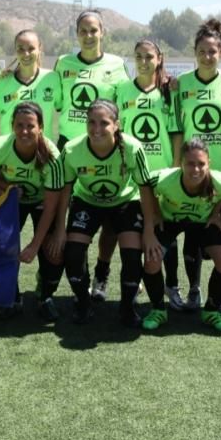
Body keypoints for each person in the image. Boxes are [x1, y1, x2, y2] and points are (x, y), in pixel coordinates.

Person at [51, 100, 159, 326]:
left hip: (125, 202)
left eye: (104, 123)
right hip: (87, 201)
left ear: (116, 125)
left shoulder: (132, 148)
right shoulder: (72, 149)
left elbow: (145, 190)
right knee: (72, 253)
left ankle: (127, 308)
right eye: (91, 122)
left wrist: (148, 231)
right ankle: (83, 302)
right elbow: (65, 190)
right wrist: (60, 229)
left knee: (132, 255)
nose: (96, 129)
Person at [53, 10, 130, 302]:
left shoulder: (117, 65)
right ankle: (79, 282)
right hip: (71, 149)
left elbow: (127, 101)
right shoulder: (63, 64)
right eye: (83, 31)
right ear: (77, 34)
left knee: (108, 219)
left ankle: (102, 271)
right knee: (72, 217)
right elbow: (54, 97)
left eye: (93, 30)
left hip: (105, 149)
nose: (88, 36)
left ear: (103, 33)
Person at [173, 18, 221, 311]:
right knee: (192, 229)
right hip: (192, 172)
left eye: (213, 51)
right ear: (195, 52)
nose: (207, 56)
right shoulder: (180, 84)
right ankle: (194, 290)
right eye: (202, 50)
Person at [114, 39, 184, 307]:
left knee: (166, 231)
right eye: (138, 57)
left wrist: (175, 170)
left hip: (162, 174)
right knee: (135, 228)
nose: (143, 61)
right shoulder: (121, 91)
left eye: (149, 56)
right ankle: (140, 279)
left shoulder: (169, 91)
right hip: (132, 174)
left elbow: (176, 133)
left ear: (159, 58)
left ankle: (172, 285)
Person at [0, 102, 65, 320]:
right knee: (2, 245)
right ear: (12, 126)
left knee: (53, 252)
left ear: (41, 127)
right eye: (19, 125)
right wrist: (6, 187)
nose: (24, 131)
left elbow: (50, 205)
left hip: (41, 203)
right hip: (13, 202)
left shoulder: (52, 157)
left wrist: (35, 245)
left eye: (30, 126)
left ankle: (45, 296)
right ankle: (13, 296)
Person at [145, 139, 221, 333]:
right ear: (181, 164)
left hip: (202, 222)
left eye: (201, 164)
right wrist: (155, 214)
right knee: (152, 259)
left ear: (209, 163)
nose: (195, 169)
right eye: (190, 164)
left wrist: (215, 214)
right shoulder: (164, 179)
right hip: (170, 220)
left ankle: (211, 311)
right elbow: (146, 186)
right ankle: (158, 310)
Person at [0, 30, 62, 139]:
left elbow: (63, 108)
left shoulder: (52, 78)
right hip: (10, 152)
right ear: (15, 50)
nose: (26, 54)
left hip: (42, 151)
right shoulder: (2, 82)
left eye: (31, 48)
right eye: (21, 49)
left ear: (40, 48)